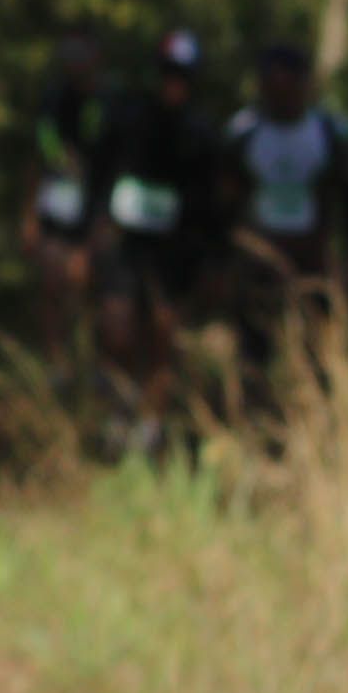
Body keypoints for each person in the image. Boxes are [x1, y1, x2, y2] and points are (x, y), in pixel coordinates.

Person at [92, 30, 225, 450]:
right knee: (118, 328)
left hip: (174, 250)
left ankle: (151, 427)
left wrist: (211, 260)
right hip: (124, 242)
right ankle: (117, 416)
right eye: (169, 73)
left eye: (183, 76)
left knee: (163, 335)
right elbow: (100, 171)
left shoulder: (203, 133)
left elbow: (212, 204)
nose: (174, 84)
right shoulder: (127, 117)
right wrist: (95, 227)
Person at [225, 41, 348, 377]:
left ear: (305, 86)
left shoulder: (330, 132)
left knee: (318, 345)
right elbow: (225, 196)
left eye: (289, 86)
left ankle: (315, 397)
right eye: (273, 86)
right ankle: (254, 397)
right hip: (259, 255)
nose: (281, 95)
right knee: (254, 346)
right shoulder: (244, 132)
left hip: (312, 255)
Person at [23, 32, 112, 381]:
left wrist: (103, 222)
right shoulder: (52, 99)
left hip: (95, 211)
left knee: (88, 285)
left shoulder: (110, 103)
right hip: (55, 207)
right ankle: (56, 366)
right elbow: (37, 157)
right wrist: (29, 216)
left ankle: (95, 366)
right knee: (51, 283)